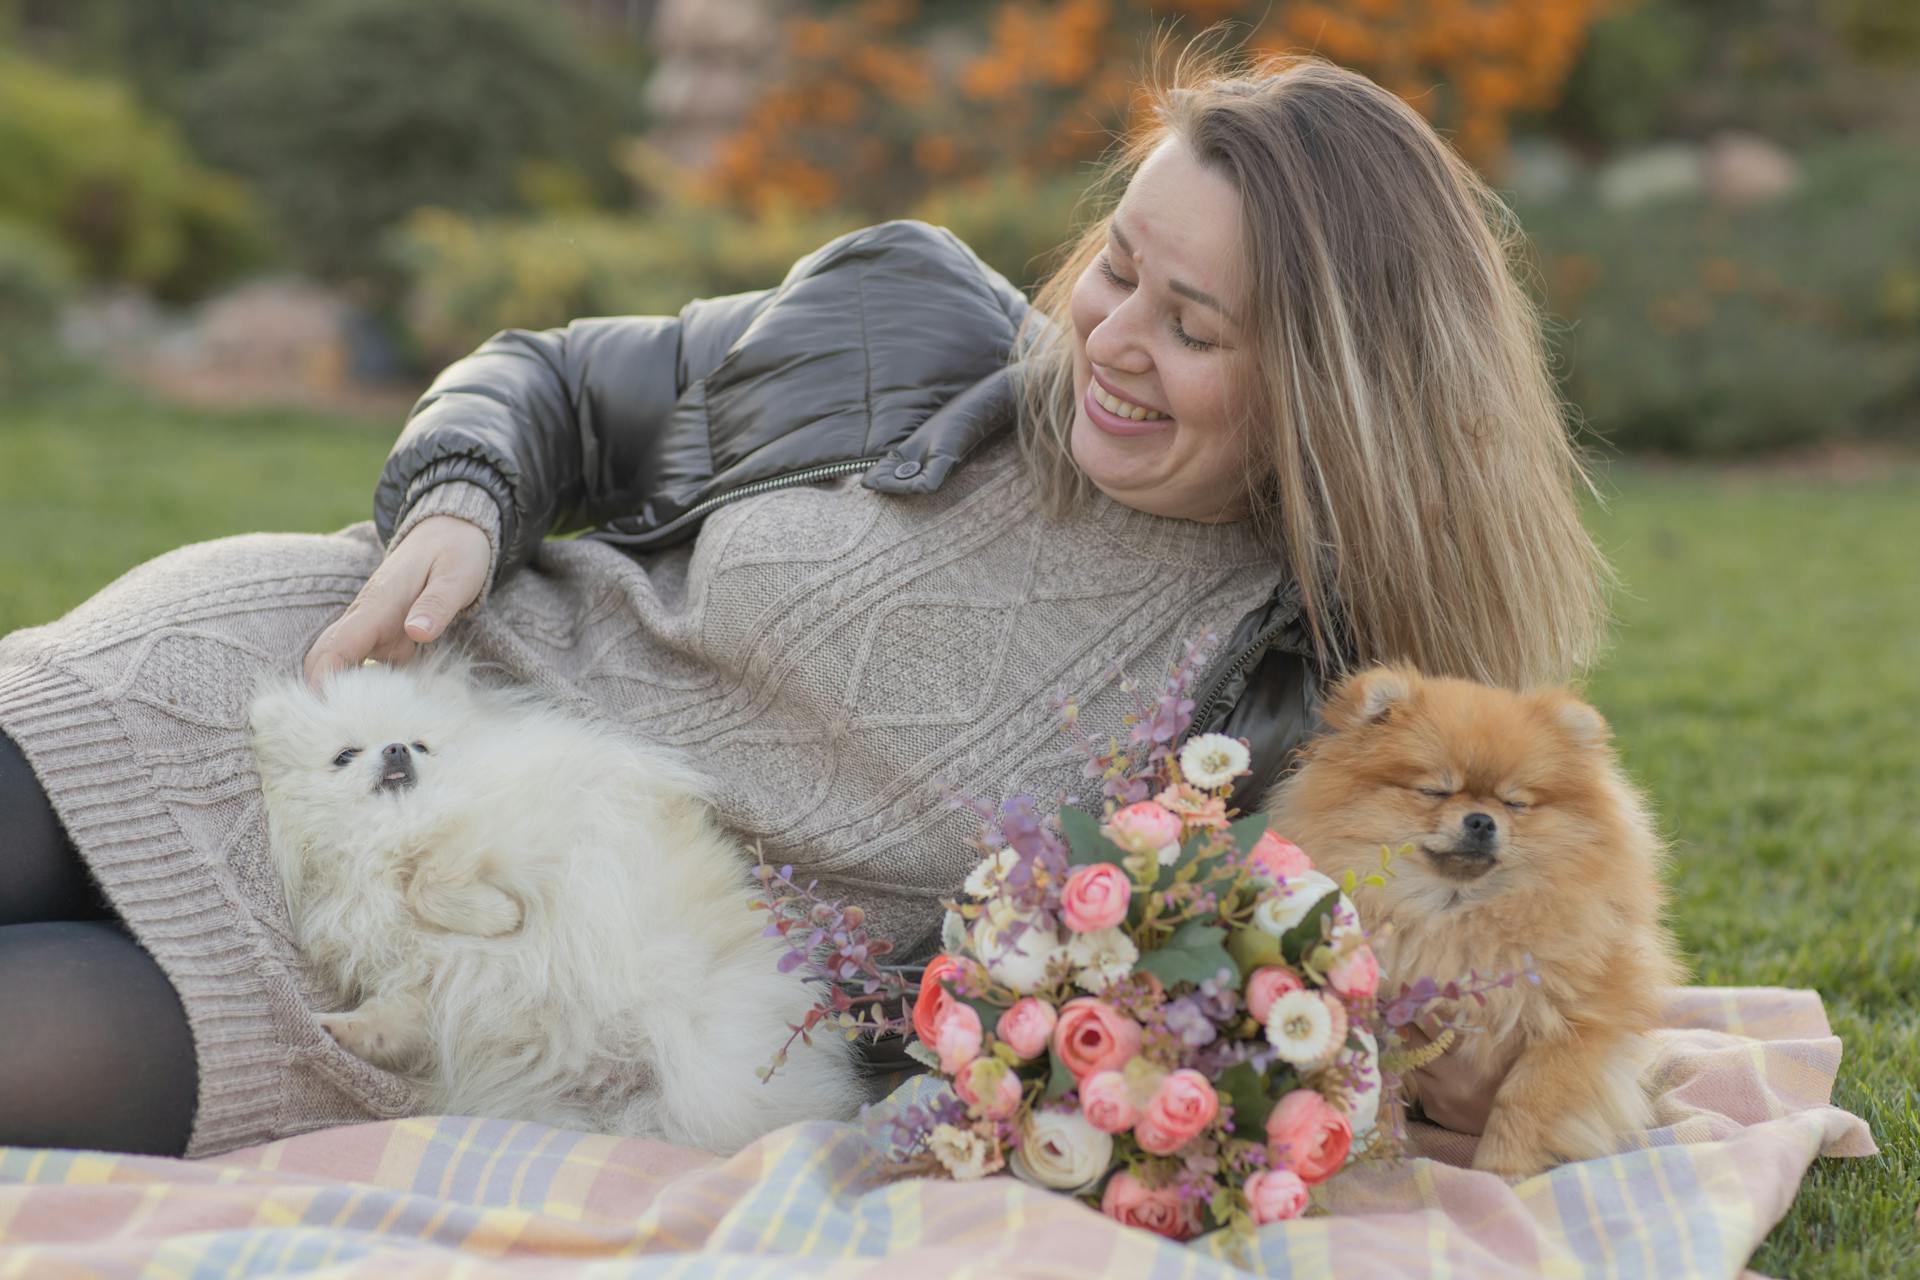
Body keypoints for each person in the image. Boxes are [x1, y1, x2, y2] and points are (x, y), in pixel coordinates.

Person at [0, 46, 1611, 1159]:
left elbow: (1333, 977)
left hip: (477, 977)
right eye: (1120, 266)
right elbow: (557, 382)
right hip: (331, 691)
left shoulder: (1288, 708)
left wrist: (1444, 1050)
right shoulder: (901, 317)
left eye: (1194, 325)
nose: (1113, 338)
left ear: (1331, 394)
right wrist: (465, 502)